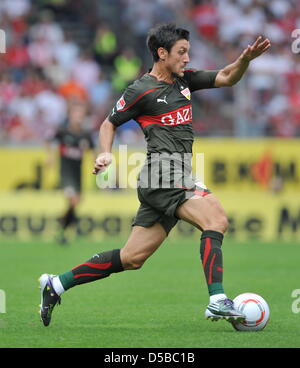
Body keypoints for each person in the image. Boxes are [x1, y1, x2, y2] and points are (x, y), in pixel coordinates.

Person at [39, 23, 271, 326]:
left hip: (170, 176)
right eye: (181, 52)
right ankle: (217, 300)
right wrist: (105, 152)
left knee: (131, 258)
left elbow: (227, 77)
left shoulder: (184, 81)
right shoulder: (141, 89)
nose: (187, 59)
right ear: (162, 53)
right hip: (163, 171)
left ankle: (56, 284)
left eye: (188, 52)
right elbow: (109, 123)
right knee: (216, 220)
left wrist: (244, 60)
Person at [45, 102, 95, 244]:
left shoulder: (85, 135)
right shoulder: (63, 131)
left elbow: (92, 151)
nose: (78, 117)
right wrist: (49, 157)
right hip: (65, 173)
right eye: (76, 114)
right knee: (73, 200)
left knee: (77, 201)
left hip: (77, 173)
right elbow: (48, 140)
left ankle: (61, 228)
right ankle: (63, 227)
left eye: (81, 114)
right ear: (70, 116)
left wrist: (97, 162)